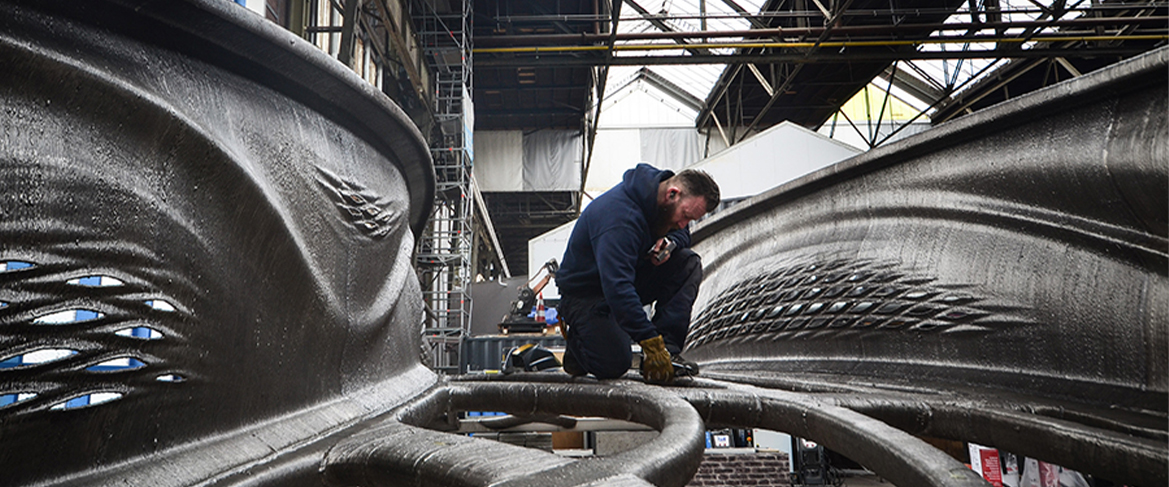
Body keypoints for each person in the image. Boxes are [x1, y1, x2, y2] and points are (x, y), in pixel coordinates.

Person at [556, 163, 720, 384]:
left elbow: (683, 234)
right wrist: (650, 342)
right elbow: (617, 288)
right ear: (672, 194)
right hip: (587, 296)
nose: (683, 224)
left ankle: (669, 352)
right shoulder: (619, 220)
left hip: (626, 280)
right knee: (614, 364)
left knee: (687, 263)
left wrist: (670, 243)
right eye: (684, 216)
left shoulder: (663, 205)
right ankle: (579, 347)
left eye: (688, 220)